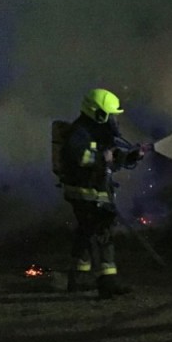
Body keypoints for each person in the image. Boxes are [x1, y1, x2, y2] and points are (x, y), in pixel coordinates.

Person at [59, 88, 144, 299]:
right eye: (110, 114)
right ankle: (107, 282)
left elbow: (112, 158)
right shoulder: (80, 131)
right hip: (83, 191)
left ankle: (78, 279)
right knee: (101, 232)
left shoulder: (101, 132)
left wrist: (131, 157)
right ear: (97, 113)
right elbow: (78, 156)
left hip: (95, 191)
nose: (114, 119)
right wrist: (100, 158)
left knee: (87, 233)